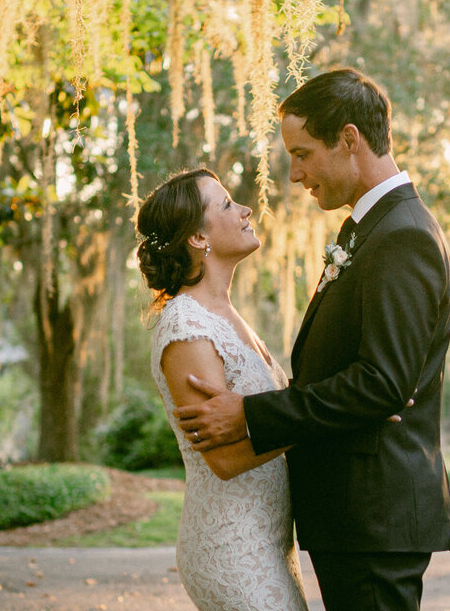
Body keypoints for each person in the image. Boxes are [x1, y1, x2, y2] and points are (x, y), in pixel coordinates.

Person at [173, 68, 450, 611]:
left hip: (372, 517)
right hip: (352, 519)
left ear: (350, 140)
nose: (296, 173)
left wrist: (251, 415)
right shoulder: (373, 230)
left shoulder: (402, 237)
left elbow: (382, 383)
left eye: (302, 153)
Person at [136, 168, 309, 611]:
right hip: (230, 546)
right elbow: (226, 458)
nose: (247, 209)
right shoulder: (186, 326)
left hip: (268, 541)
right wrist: (331, 416)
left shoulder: (225, 313)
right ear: (197, 237)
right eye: (228, 204)